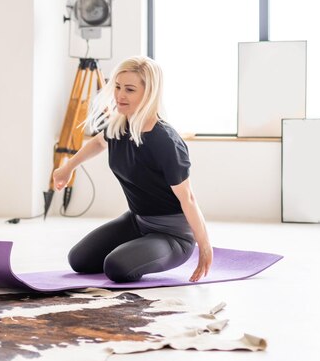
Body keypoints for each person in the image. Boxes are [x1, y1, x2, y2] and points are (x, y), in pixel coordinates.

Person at [53, 55, 213, 283]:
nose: (120, 95)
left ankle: (151, 251)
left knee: (116, 267)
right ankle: (138, 246)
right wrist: (68, 167)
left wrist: (205, 247)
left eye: (129, 89)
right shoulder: (120, 125)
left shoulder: (164, 141)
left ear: (148, 94)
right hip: (137, 222)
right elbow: (98, 142)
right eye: (117, 87)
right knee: (78, 260)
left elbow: (188, 198)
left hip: (173, 235)